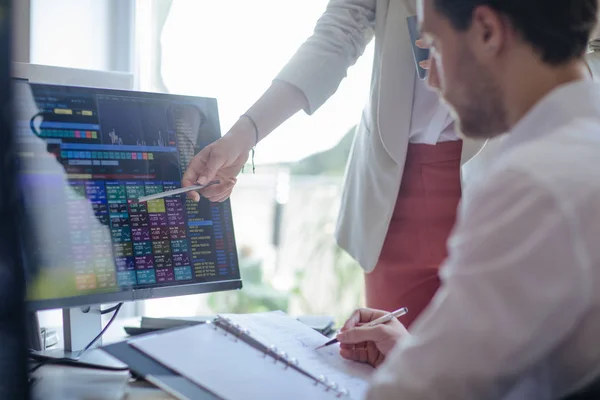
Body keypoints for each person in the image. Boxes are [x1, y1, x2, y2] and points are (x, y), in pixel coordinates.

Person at [335, 0, 600, 399]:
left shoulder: (530, 185)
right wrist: (416, 354)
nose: (433, 80)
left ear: (487, 31)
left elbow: (422, 393)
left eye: (436, 46)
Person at [183, 0, 486, 327]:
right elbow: (337, 35)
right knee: (389, 362)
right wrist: (244, 134)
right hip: (393, 191)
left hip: (497, 178)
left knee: (500, 368)